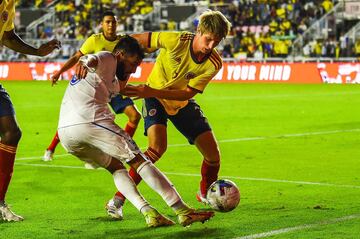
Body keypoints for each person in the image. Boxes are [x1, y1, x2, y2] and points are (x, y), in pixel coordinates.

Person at [58, 35, 214, 227]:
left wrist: (139, 88)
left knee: (116, 167)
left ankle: (148, 212)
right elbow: (92, 59)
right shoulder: (108, 57)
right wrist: (83, 60)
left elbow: (118, 86)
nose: (134, 69)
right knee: (140, 160)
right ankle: (182, 210)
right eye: (133, 64)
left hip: (66, 133)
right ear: (121, 55)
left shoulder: (115, 80)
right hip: (89, 122)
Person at [105, 10, 232, 219]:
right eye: (208, 39)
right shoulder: (177, 39)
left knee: (213, 155)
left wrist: (151, 91)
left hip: (180, 102)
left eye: (216, 42)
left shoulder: (214, 63)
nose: (210, 46)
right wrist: (111, 57)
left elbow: (188, 93)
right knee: (156, 149)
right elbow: (139, 40)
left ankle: (205, 192)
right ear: (198, 31)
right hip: (153, 98)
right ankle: (117, 200)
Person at [43, 11, 141, 161]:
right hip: (97, 87)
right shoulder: (94, 40)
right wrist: (59, 72)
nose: (111, 25)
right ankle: (50, 148)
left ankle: (121, 150)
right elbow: (77, 56)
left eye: (114, 22)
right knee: (77, 118)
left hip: (115, 87)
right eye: (108, 22)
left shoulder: (124, 42)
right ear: (101, 25)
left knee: (134, 116)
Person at [0, 0, 61, 221]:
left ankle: (0, 203)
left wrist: (37, 52)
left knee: (11, 132)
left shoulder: (9, 4)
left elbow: (7, 37)